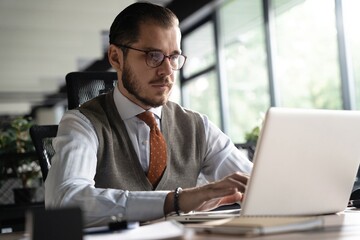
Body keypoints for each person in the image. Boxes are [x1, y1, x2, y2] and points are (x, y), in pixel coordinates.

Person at [45, 1, 253, 227]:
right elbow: (66, 203)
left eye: (173, 57)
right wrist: (176, 200)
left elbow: (257, 185)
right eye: (153, 55)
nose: (167, 71)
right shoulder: (83, 124)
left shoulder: (197, 126)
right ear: (116, 57)